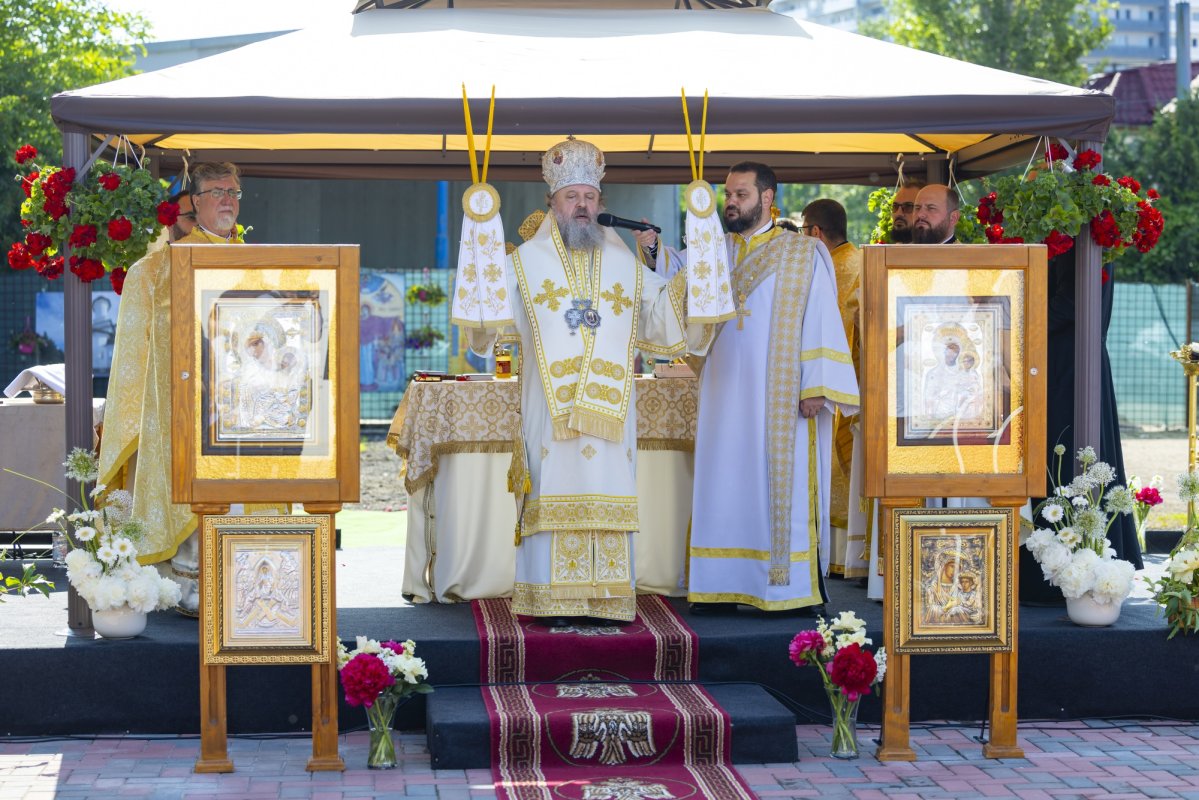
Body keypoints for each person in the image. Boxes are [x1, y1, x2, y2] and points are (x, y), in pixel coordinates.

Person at [465, 137, 710, 626]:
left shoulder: (623, 258)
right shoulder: (522, 264)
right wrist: (480, 256)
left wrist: (676, 265)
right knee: (551, 486)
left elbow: (660, 321)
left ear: (601, 203)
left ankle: (606, 598)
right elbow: (486, 326)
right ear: (552, 203)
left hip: (611, 413)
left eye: (590, 198)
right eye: (572, 197)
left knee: (608, 486)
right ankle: (547, 597)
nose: (582, 206)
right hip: (549, 414)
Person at [640, 162, 859, 615]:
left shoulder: (802, 253)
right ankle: (720, 585)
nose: (731, 202)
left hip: (781, 397)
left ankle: (783, 588)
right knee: (723, 480)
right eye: (728, 195)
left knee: (775, 484)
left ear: (768, 198)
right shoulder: (713, 252)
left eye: (741, 194)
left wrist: (816, 383)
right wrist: (655, 249)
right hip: (723, 391)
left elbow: (821, 317)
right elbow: (676, 281)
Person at [98, 162, 263, 616]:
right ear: (194, 202)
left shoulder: (260, 261)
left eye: (234, 191)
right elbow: (144, 351)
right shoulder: (164, 266)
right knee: (198, 501)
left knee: (247, 499)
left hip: (249, 409)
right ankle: (194, 589)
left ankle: (251, 584)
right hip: (188, 410)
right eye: (216, 191)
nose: (228, 199)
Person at [800, 199, 867, 581]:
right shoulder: (861, 262)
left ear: (815, 233)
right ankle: (844, 555)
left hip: (832, 386)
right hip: (853, 381)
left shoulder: (827, 266)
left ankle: (840, 554)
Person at [888, 180, 924, 244]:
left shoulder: (938, 251)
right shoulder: (890, 252)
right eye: (895, 206)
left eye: (908, 206)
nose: (898, 213)